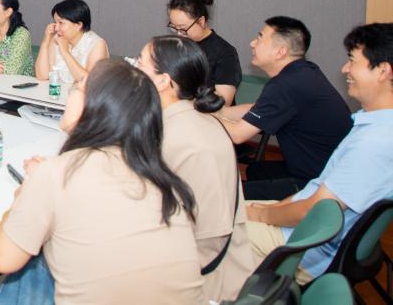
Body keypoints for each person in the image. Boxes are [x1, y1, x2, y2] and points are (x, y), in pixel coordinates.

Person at [0, 60, 203, 305]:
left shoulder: (57, 174)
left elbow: (1, 259)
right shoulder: (166, 183)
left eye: (77, 88)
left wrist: (25, 192)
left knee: (21, 278)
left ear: (94, 107)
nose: (70, 95)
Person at [245, 23, 393, 285]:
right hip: (302, 230)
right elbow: (315, 192)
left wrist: (261, 215)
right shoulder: (375, 124)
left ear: (383, 71)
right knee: (217, 210)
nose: (345, 69)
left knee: (197, 226)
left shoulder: (373, 142)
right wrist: (276, 207)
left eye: (352, 61)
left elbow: (311, 212)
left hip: (298, 248)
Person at [137, 36, 255, 302]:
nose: (133, 69)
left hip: (202, 285)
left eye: (140, 63)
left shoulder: (192, 142)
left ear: (163, 81)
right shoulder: (183, 119)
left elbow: (208, 241)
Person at [216, 16, 352, 200]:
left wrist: (203, 114)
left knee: (228, 198)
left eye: (260, 38)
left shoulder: (286, 85)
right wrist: (221, 111)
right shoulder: (303, 72)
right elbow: (258, 109)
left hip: (320, 185)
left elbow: (237, 135)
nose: (252, 43)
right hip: (327, 170)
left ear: (280, 51)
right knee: (256, 170)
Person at [167, 0, 242, 105]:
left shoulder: (224, 52)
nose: (179, 34)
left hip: (208, 114)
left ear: (201, 21)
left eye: (183, 29)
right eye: (174, 28)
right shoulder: (179, 45)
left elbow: (222, 102)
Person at [34, 0, 108, 83]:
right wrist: (45, 42)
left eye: (61, 23)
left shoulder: (97, 45)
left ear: (78, 25)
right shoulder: (57, 39)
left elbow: (89, 82)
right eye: (55, 22)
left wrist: (65, 53)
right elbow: (42, 75)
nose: (56, 28)